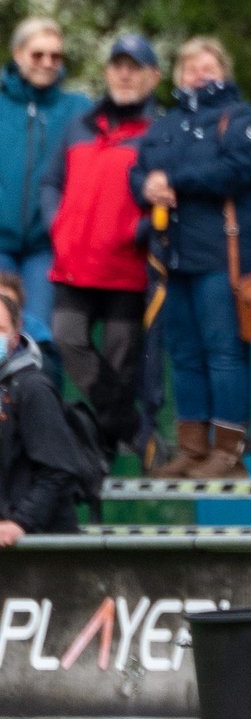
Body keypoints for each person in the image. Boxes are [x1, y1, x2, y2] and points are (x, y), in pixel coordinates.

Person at [131, 37, 251, 480]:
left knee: (224, 353)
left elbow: (239, 168)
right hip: (173, 257)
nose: (199, 74)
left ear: (224, 71)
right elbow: (140, 168)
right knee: (184, 355)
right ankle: (192, 450)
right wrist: (146, 186)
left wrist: (173, 178)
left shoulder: (240, 117)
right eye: (190, 67)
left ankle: (228, 453)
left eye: (207, 65)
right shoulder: (166, 124)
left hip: (222, 258)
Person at [41, 34, 161, 464]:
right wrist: (58, 222)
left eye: (134, 66)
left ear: (153, 76)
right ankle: (129, 429)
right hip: (74, 264)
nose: (125, 74)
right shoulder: (80, 124)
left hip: (126, 269)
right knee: (66, 338)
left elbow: (169, 193)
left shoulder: (159, 131)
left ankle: (103, 455)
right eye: (117, 65)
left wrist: (139, 228)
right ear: (107, 71)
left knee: (121, 360)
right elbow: (51, 181)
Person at [0, 292, 81, 719]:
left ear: (14, 332)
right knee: (9, 654)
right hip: (9, 549)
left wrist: (20, 522)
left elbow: (58, 470)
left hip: (42, 545)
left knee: (44, 652)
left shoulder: (31, 388)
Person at [1, 17, 91, 385]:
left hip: (46, 245)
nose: (47, 62)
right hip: (1, 242)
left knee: (40, 335)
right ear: (17, 54)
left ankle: (43, 424)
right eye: (37, 53)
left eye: (56, 55)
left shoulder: (78, 109)